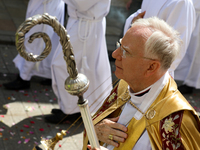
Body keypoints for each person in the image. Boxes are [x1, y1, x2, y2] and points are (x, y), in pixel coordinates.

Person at [82, 17, 200, 150]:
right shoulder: (124, 87)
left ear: (151, 67)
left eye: (125, 51)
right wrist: (96, 131)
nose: (115, 54)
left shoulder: (177, 120)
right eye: (119, 45)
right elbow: (93, 131)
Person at [45, 0, 113, 123]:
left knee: (62, 65)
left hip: (86, 26)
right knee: (79, 68)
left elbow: (82, 3)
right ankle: (72, 108)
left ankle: (70, 111)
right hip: (82, 22)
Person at [123, 0, 195, 78]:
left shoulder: (182, 2)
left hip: (155, 71)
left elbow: (177, 44)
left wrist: (156, 72)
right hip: (137, 60)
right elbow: (141, 14)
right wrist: (134, 22)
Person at [3, 0, 65, 90]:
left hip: (46, 5)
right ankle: (50, 75)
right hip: (48, 5)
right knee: (50, 40)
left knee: (35, 41)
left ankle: (23, 78)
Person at [174, 0, 200, 94]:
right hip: (188, 11)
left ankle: (191, 83)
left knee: (196, 52)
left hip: (197, 12)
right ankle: (182, 78)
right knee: (183, 45)